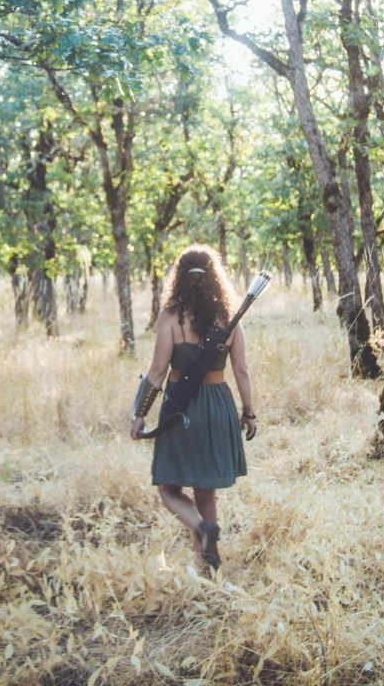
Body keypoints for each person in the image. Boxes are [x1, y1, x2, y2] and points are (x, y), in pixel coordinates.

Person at [130, 244, 256, 571]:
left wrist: (140, 414)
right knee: (206, 491)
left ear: (179, 277)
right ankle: (209, 564)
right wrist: (248, 412)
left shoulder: (171, 317)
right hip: (218, 406)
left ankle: (201, 529)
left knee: (168, 488)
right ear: (215, 277)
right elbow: (242, 370)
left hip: (180, 407)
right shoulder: (229, 317)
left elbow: (157, 371)